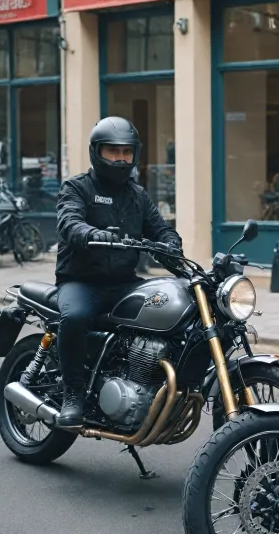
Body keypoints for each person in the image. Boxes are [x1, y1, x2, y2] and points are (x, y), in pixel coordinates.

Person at [53, 116, 182, 428]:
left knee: (169, 311)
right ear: (97, 152)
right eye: (113, 151)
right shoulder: (77, 188)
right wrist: (89, 233)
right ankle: (73, 394)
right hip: (81, 281)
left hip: (124, 283)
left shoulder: (138, 195)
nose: (121, 158)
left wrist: (172, 248)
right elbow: (69, 221)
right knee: (75, 317)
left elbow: (161, 228)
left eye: (126, 152)